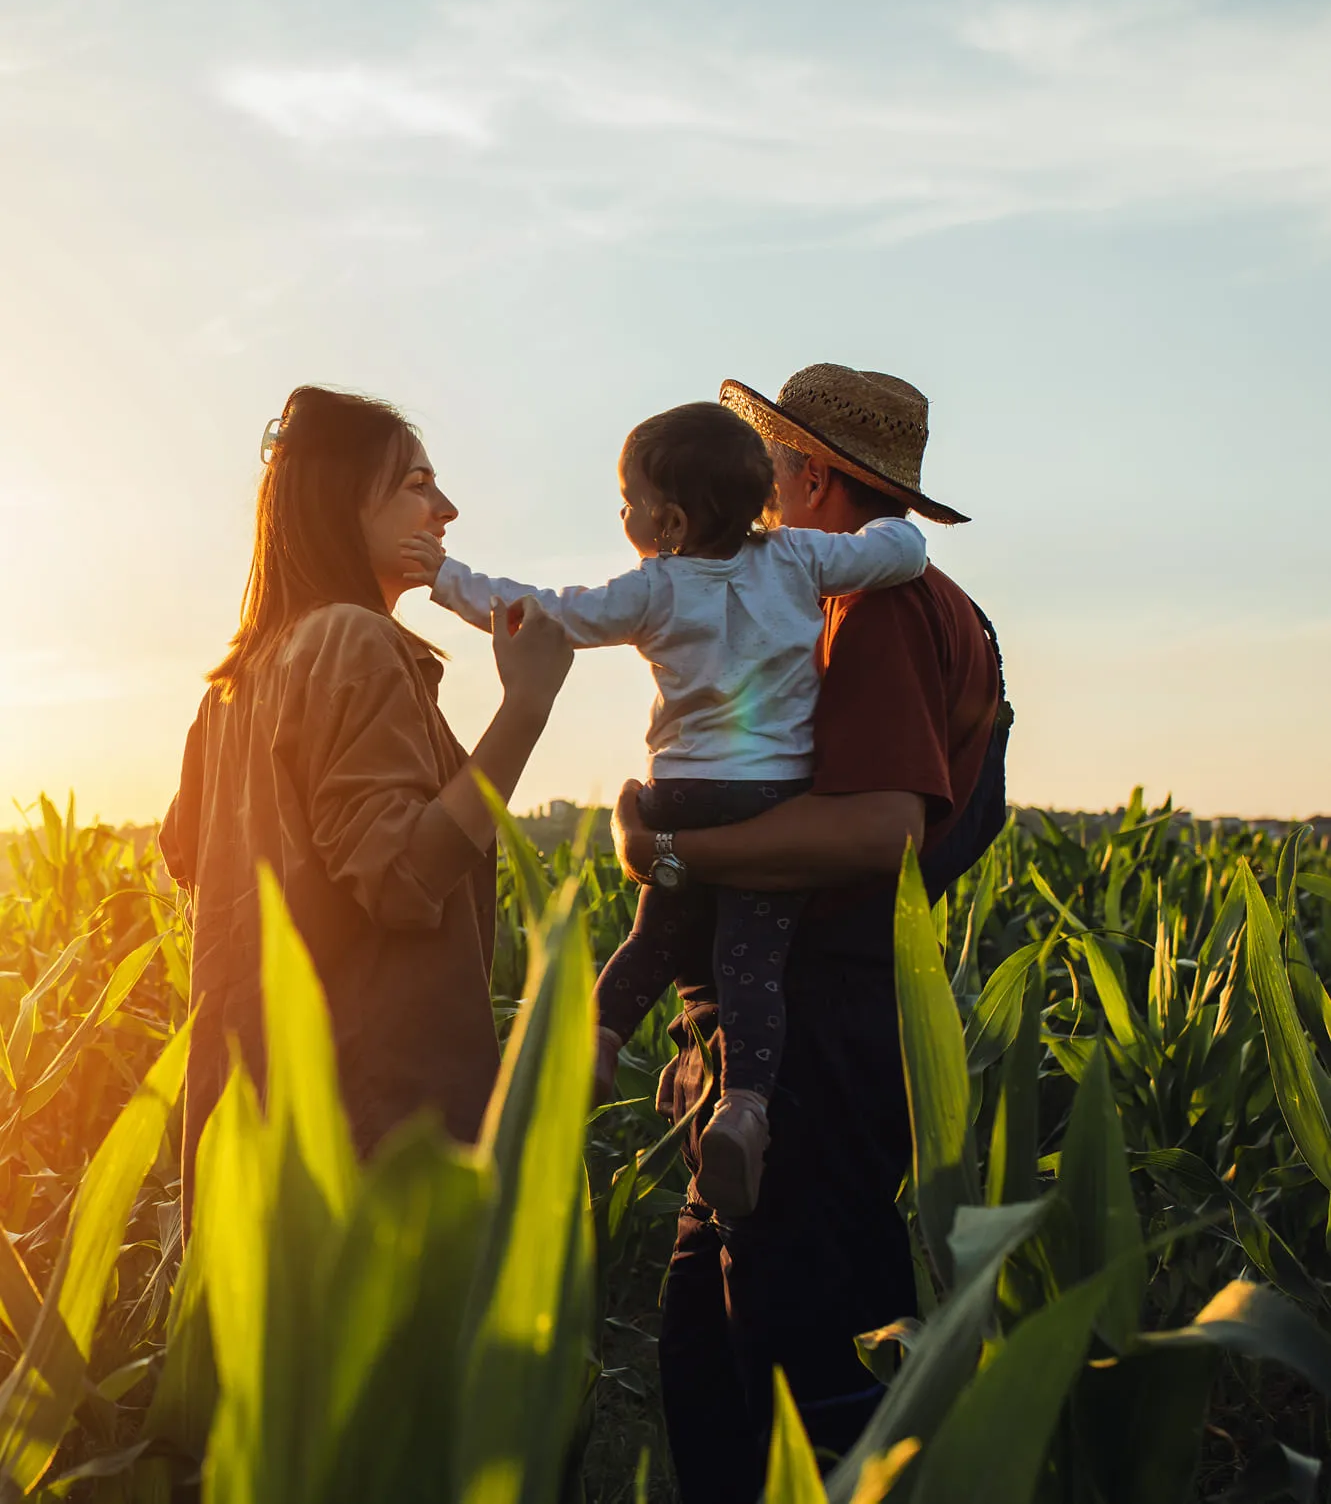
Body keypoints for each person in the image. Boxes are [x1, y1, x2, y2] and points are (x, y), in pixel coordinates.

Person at [611, 365, 1006, 1503]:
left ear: (813, 477)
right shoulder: (883, 604)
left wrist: (673, 858)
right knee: (708, 1345)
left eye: (766, 463)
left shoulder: (876, 611)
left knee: (797, 1374)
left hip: (819, 1041)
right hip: (780, 1029)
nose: (755, 488)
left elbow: (879, 831)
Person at [400, 401, 927, 1218]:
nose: (623, 515)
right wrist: (881, 535)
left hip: (679, 793)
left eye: (630, 501)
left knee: (653, 937)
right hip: (770, 795)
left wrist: (440, 577)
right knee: (752, 966)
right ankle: (745, 1108)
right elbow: (901, 550)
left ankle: (596, 1043)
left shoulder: (652, 587)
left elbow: (538, 612)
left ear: (669, 521)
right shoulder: (796, 561)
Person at [160, 385, 573, 1221]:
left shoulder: (233, 687)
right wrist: (524, 711)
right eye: (418, 485)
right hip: (368, 1140)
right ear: (344, 501)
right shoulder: (355, 638)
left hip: (253, 1132)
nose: (446, 510)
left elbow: (182, 852)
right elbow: (403, 873)